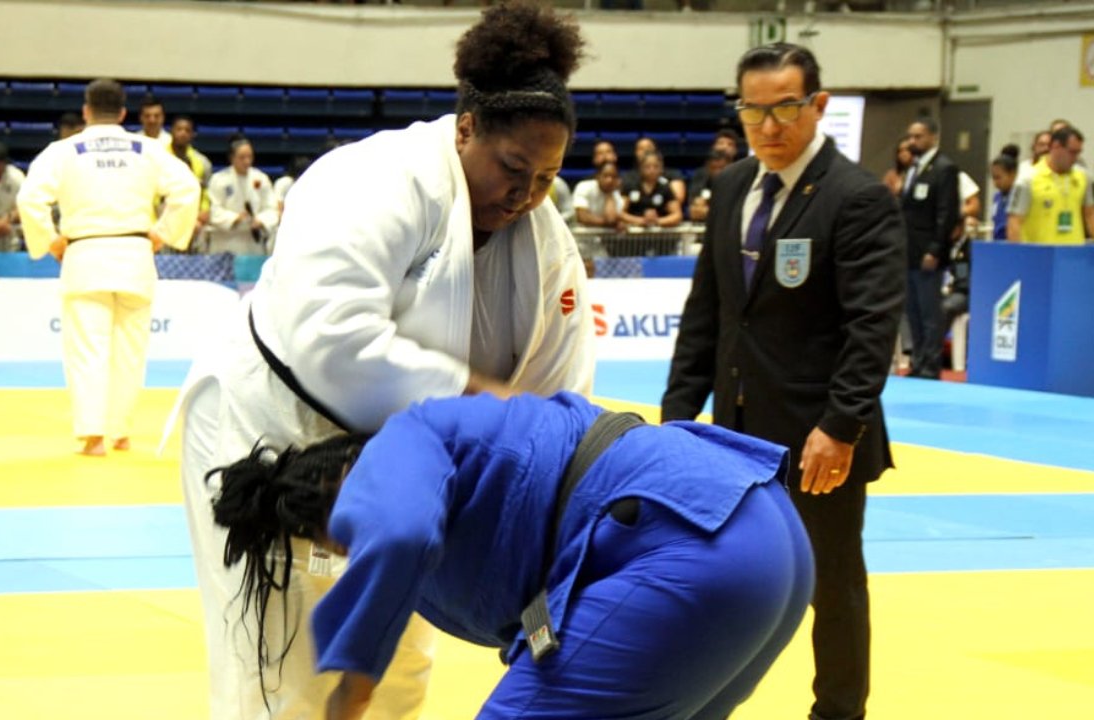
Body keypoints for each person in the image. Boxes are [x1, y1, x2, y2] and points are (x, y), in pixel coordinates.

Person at [173, 3, 596, 718]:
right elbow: (333, 340)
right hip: (277, 429)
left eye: (547, 177)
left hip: (415, 466)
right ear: (466, 129)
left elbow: (559, 404)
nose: (525, 195)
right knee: (279, 672)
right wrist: (482, 401)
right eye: (513, 168)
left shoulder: (548, 246)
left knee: (398, 670)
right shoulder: (370, 180)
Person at [210, 391, 814, 720]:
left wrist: (352, 693)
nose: (348, 551)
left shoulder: (399, 443)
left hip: (691, 544)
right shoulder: (461, 453)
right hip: (765, 537)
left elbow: (395, 535)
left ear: (335, 489)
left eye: (337, 539)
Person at [661, 42, 905, 720]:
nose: (769, 126)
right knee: (715, 574)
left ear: (818, 106)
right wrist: (678, 414)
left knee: (832, 585)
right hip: (732, 431)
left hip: (819, 436)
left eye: (785, 109)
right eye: (753, 111)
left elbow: (872, 328)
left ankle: (839, 710)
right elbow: (706, 312)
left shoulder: (856, 199)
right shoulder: (733, 186)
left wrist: (840, 426)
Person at [17, 78, 199, 457]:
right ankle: (120, 432)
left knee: (88, 350)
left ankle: (93, 435)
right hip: (135, 253)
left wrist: (50, 239)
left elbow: (30, 197)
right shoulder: (147, 149)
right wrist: (164, 232)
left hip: (84, 255)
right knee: (131, 351)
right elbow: (187, 190)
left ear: (85, 111)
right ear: (122, 113)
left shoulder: (64, 150)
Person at [900, 116, 960, 380]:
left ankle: (931, 365)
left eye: (918, 136)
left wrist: (935, 249)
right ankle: (918, 360)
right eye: (911, 136)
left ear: (933, 137)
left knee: (929, 312)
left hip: (928, 253)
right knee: (912, 310)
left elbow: (946, 214)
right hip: (909, 251)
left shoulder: (944, 168)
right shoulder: (913, 169)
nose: (913, 141)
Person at [1007, 126, 1093, 244]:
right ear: (1055, 146)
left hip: (1073, 253)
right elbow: (1014, 222)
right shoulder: (1027, 179)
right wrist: (1019, 254)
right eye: (1072, 152)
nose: (1075, 158)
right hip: (1039, 254)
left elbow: (1090, 215)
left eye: (1078, 152)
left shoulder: (1083, 177)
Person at [205, 137, 278, 255]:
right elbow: (214, 211)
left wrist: (261, 220)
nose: (247, 161)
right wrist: (236, 218)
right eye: (242, 157)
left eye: (250, 157)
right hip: (225, 241)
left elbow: (271, 208)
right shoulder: (219, 180)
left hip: (252, 242)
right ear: (232, 158)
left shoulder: (260, 178)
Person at [620, 150, 683, 229]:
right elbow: (620, 213)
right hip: (633, 232)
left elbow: (677, 215)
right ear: (640, 168)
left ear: (661, 168)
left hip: (659, 234)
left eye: (656, 166)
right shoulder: (631, 186)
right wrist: (641, 221)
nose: (652, 170)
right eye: (647, 166)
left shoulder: (665, 187)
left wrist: (657, 221)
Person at [987, 149, 1018, 240]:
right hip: (998, 245)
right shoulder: (997, 197)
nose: (995, 182)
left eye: (998, 178)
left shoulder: (1019, 198)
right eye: (993, 178)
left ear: (1012, 174)